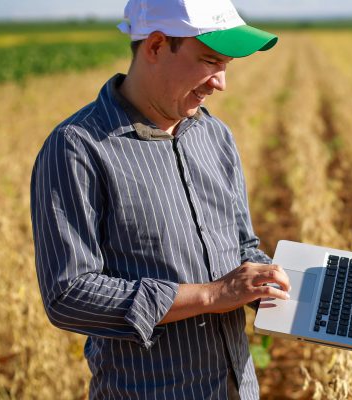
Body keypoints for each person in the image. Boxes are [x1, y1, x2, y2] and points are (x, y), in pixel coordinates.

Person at [29, 1, 291, 398]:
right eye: (209, 61)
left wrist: (286, 290)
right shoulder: (77, 148)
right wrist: (210, 295)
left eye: (227, 66)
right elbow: (68, 295)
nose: (220, 82)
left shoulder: (215, 136)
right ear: (154, 46)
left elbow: (242, 246)